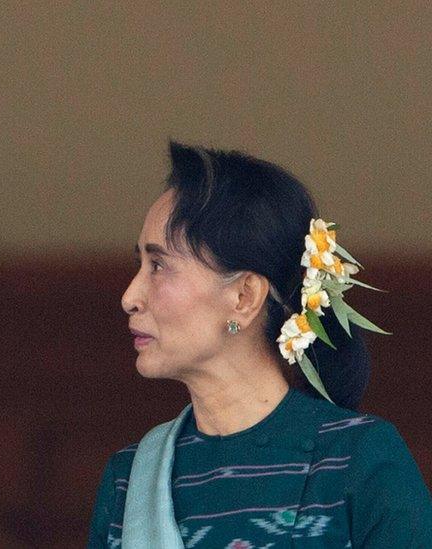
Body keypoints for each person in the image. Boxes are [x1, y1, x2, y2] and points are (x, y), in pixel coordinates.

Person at [87, 142, 432, 548]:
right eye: (139, 265)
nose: (130, 296)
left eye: (159, 265)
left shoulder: (358, 461)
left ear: (244, 297)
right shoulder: (129, 481)